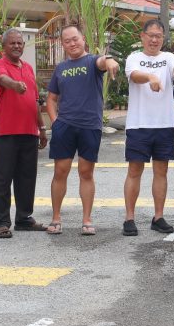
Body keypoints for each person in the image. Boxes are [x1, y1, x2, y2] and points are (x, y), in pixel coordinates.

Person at [45, 24, 119, 236]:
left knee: (86, 173)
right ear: (62, 44)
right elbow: (51, 98)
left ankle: (87, 219)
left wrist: (110, 59)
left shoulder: (92, 61)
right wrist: (54, 121)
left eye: (75, 39)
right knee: (60, 172)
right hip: (64, 127)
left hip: (89, 126)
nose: (72, 43)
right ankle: (56, 218)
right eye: (67, 41)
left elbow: (103, 61)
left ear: (83, 38)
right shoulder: (60, 68)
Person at [122, 19, 174, 236]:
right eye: (150, 35)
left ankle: (158, 217)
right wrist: (150, 76)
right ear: (142, 36)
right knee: (135, 171)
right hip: (138, 124)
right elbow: (134, 75)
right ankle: (129, 219)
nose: (154, 39)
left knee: (162, 171)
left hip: (164, 124)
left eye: (158, 36)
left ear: (163, 38)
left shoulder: (168, 58)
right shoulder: (134, 58)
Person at [0, 28, 48, 238]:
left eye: (20, 43)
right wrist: (15, 85)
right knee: (3, 179)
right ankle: (1, 223)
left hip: (29, 131)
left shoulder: (29, 69)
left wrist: (41, 128)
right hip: (6, 131)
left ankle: (24, 218)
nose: (17, 46)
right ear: (4, 46)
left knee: (27, 178)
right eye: (12, 43)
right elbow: (3, 80)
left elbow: (34, 101)